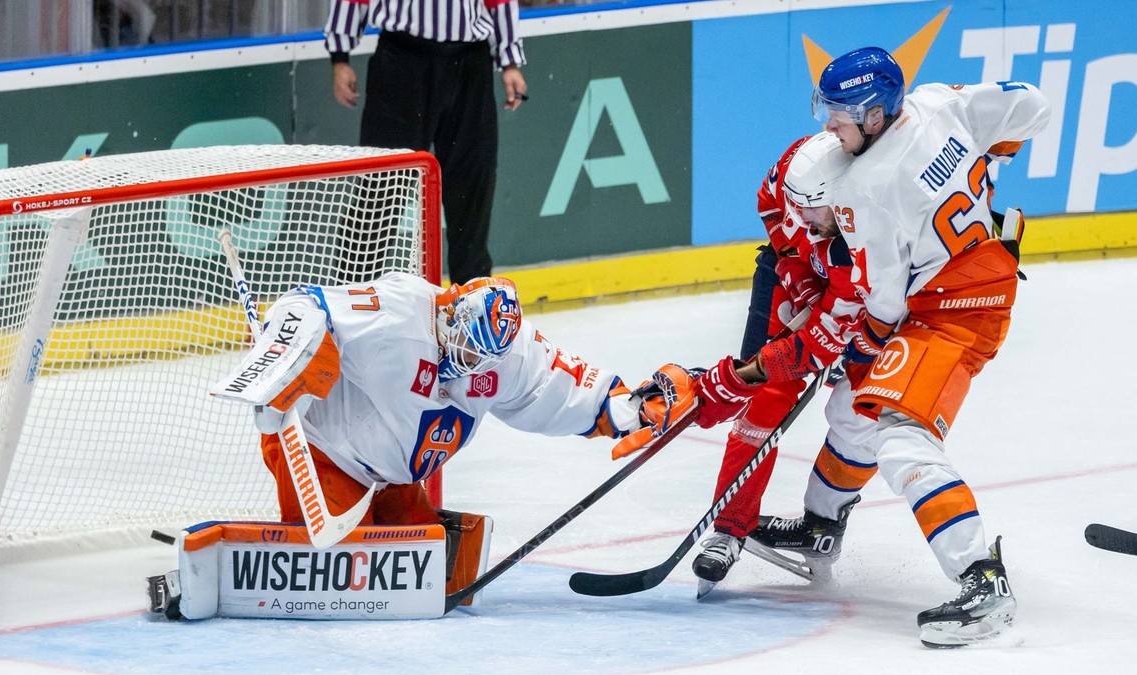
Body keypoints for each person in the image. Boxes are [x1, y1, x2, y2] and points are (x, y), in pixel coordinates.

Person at [750, 47, 1049, 649]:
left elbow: (884, 304)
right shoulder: (938, 103)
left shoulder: (865, 188)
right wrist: (987, 158)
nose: (827, 126)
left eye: (839, 115)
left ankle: (982, 579)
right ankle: (818, 529)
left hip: (954, 311)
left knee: (901, 433)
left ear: (876, 114)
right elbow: (1031, 107)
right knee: (852, 412)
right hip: (961, 282)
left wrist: (855, 348)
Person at [210, 271, 696, 602]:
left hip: (395, 477)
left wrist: (631, 409)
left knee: (430, 575)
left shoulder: (506, 352)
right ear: (451, 313)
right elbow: (303, 304)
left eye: (481, 358)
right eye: (463, 346)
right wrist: (285, 357)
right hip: (324, 455)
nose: (467, 364)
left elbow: (558, 385)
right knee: (339, 579)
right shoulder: (397, 311)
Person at [687, 132, 864, 597]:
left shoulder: (868, 221)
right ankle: (728, 527)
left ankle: (823, 524)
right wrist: (801, 285)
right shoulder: (790, 175)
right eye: (797, 209)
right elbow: (775, 221)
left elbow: (837, 321)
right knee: (762, 398)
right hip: (797, 282)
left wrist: (829, 327)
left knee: (866, 411)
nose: (803, 222)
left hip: (855, 299)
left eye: (815, 214)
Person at [324, 0, 527, 284]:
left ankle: (471, 299)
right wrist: (340, 56)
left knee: (472, 186)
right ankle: (352, 296)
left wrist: (509, 62)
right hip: (402, 61)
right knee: (380, 189)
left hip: (470, 64)